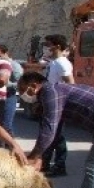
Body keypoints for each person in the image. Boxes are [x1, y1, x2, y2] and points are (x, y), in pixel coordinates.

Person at [19, 72, 94, 188]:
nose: (21, 94)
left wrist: (34, 156)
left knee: (93, 170)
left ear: (34, 86)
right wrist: (40, 157)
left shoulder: (50, 92)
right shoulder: (52, 94)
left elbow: (49, 129)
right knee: (91, 169)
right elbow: (54, 131)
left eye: (22, 89)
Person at [40, 34, 74, 177]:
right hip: (51, 102)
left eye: (49, 44)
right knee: (51, 134)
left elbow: (71, 84)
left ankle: (59, 166)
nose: (47, 48)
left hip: (58, 103)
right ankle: (46, 164)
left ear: (57, 46)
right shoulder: (54, 62)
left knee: (56, 135)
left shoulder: (62, 63)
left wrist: (65, 102)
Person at [0, 44, 23, 136]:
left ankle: (12, 147)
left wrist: (5, 83)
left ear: (5, 53)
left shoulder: (14, 65)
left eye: (0, 55)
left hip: (9, 97)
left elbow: (20, 84)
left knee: (6, 126)